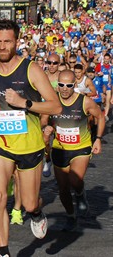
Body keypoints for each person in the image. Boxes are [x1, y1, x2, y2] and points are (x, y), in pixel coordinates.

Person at [0, 20, 62, 257]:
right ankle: (3, 252)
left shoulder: (32, 70)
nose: (2, 46)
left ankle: (36, 213)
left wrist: (25, 103)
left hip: (30, 145)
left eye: (7, 41)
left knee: (29, 203)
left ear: (16, 42)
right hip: (0, 143)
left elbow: (56, 107)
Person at [42, 69, 105, 231]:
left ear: (74, 85)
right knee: (62, 188)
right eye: (61, 85)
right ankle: (70, 215)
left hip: (81, 148)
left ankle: (80, 193)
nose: (64, 88)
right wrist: (46, 127)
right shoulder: (52, 101)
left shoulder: (84, 102)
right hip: (59, 148)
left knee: (75, 181)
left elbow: (100, 116)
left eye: (68, 85)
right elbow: (43, 120)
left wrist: (97, 139)